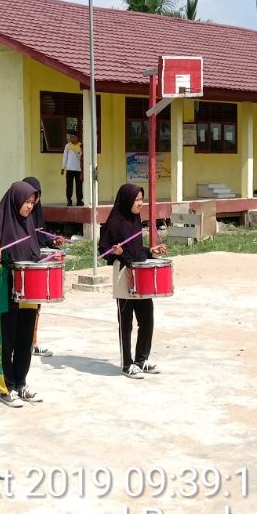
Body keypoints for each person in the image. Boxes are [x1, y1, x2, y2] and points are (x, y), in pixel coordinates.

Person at [0, 181, 45, 407]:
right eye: (26, 202)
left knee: (24, 342)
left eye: (32, 202)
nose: (29, 206)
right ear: (15, 201)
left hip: (28, 291)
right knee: (5, 343)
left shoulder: (29, 226)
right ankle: (6, 388)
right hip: (5, 290)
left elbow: (35, 256)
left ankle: (20, 384)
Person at [100, 183, 169, 378]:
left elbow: (136, 250)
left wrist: (151, 251)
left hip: (140, 274)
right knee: (126, 322)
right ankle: (126, 364)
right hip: (123, 274)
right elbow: (103, 250)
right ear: (127, 201)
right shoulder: (114, 223)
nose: (140, 203)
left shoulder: (136, 219)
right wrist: (115, 252)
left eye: (141, 199)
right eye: (136, 200)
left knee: (147, 319)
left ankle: (141, 360)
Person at [23, 175, 57, 356]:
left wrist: (53, 242)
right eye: (29, 198)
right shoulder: (15, 215)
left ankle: (32, 342)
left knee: (35, 307)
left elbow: (41, 238)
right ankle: (23, 344)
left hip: (35, 266)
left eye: (36, 197)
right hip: (21, 268)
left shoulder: (37, 212)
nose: (33, 202)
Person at [62, 132, 84, 206]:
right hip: (69, 169)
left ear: (77, 138)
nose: (71, 138)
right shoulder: (67, 146)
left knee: (79, 186)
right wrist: (63, 167)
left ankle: (79, 201)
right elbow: (65, 156)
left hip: (79, 170)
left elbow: (83, 158)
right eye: (71, 137)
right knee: (69, 186)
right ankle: (69, 200)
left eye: (73, 137)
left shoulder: (81, 145)